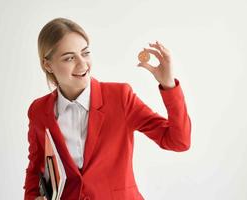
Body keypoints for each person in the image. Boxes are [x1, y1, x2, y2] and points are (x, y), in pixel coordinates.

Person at [23, 17, 191, 200]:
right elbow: (35, 168)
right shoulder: (39, 110)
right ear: (48, 65)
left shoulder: (120, 97)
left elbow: (178, 141)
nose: (82, 64)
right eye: (69, 58)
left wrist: (168, 86)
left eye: (85, 53)